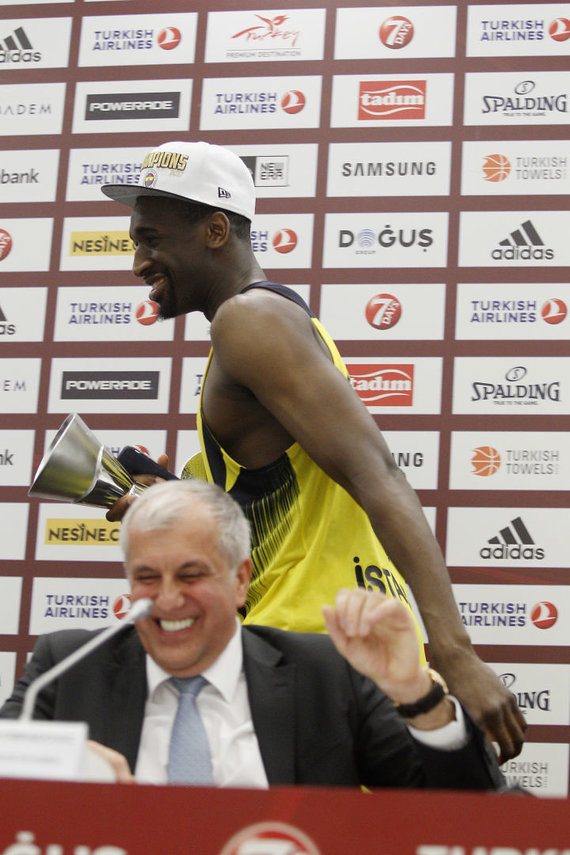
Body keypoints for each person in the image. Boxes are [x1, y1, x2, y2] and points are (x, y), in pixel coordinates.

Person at [101, 140, 525, 763]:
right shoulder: (265, 323)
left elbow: (375, 472)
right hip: (324, 643)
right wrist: (168, 497)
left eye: (152, 238)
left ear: (216, 230)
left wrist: (454, 650)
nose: (139, 261)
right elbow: (282, 496)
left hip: (313, 646)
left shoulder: (249, 321)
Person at [1, 480, 504, 790]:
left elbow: (470, 812)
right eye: (148, 578)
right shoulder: (67, 665)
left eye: (192, 575)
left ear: (240, 579)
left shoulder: (325, 675)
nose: (169, 600)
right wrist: (53, 761)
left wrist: (418, 696)